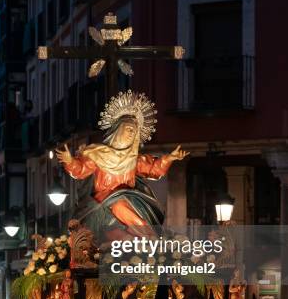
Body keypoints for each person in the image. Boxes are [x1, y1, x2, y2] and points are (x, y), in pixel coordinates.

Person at [56, 91, 189, 242]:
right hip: (103, 200)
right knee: (118, 209)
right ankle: (150, 237)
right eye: (129, 130)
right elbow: (80, 170)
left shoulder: (133, 159)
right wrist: (69, 161)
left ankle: (147, 239)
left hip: (130, 199)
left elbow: (153, 169)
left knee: (121, 219)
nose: (132, 134)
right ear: (118, 130)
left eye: (135, 132)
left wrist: (170, 158)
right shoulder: (97, 154)